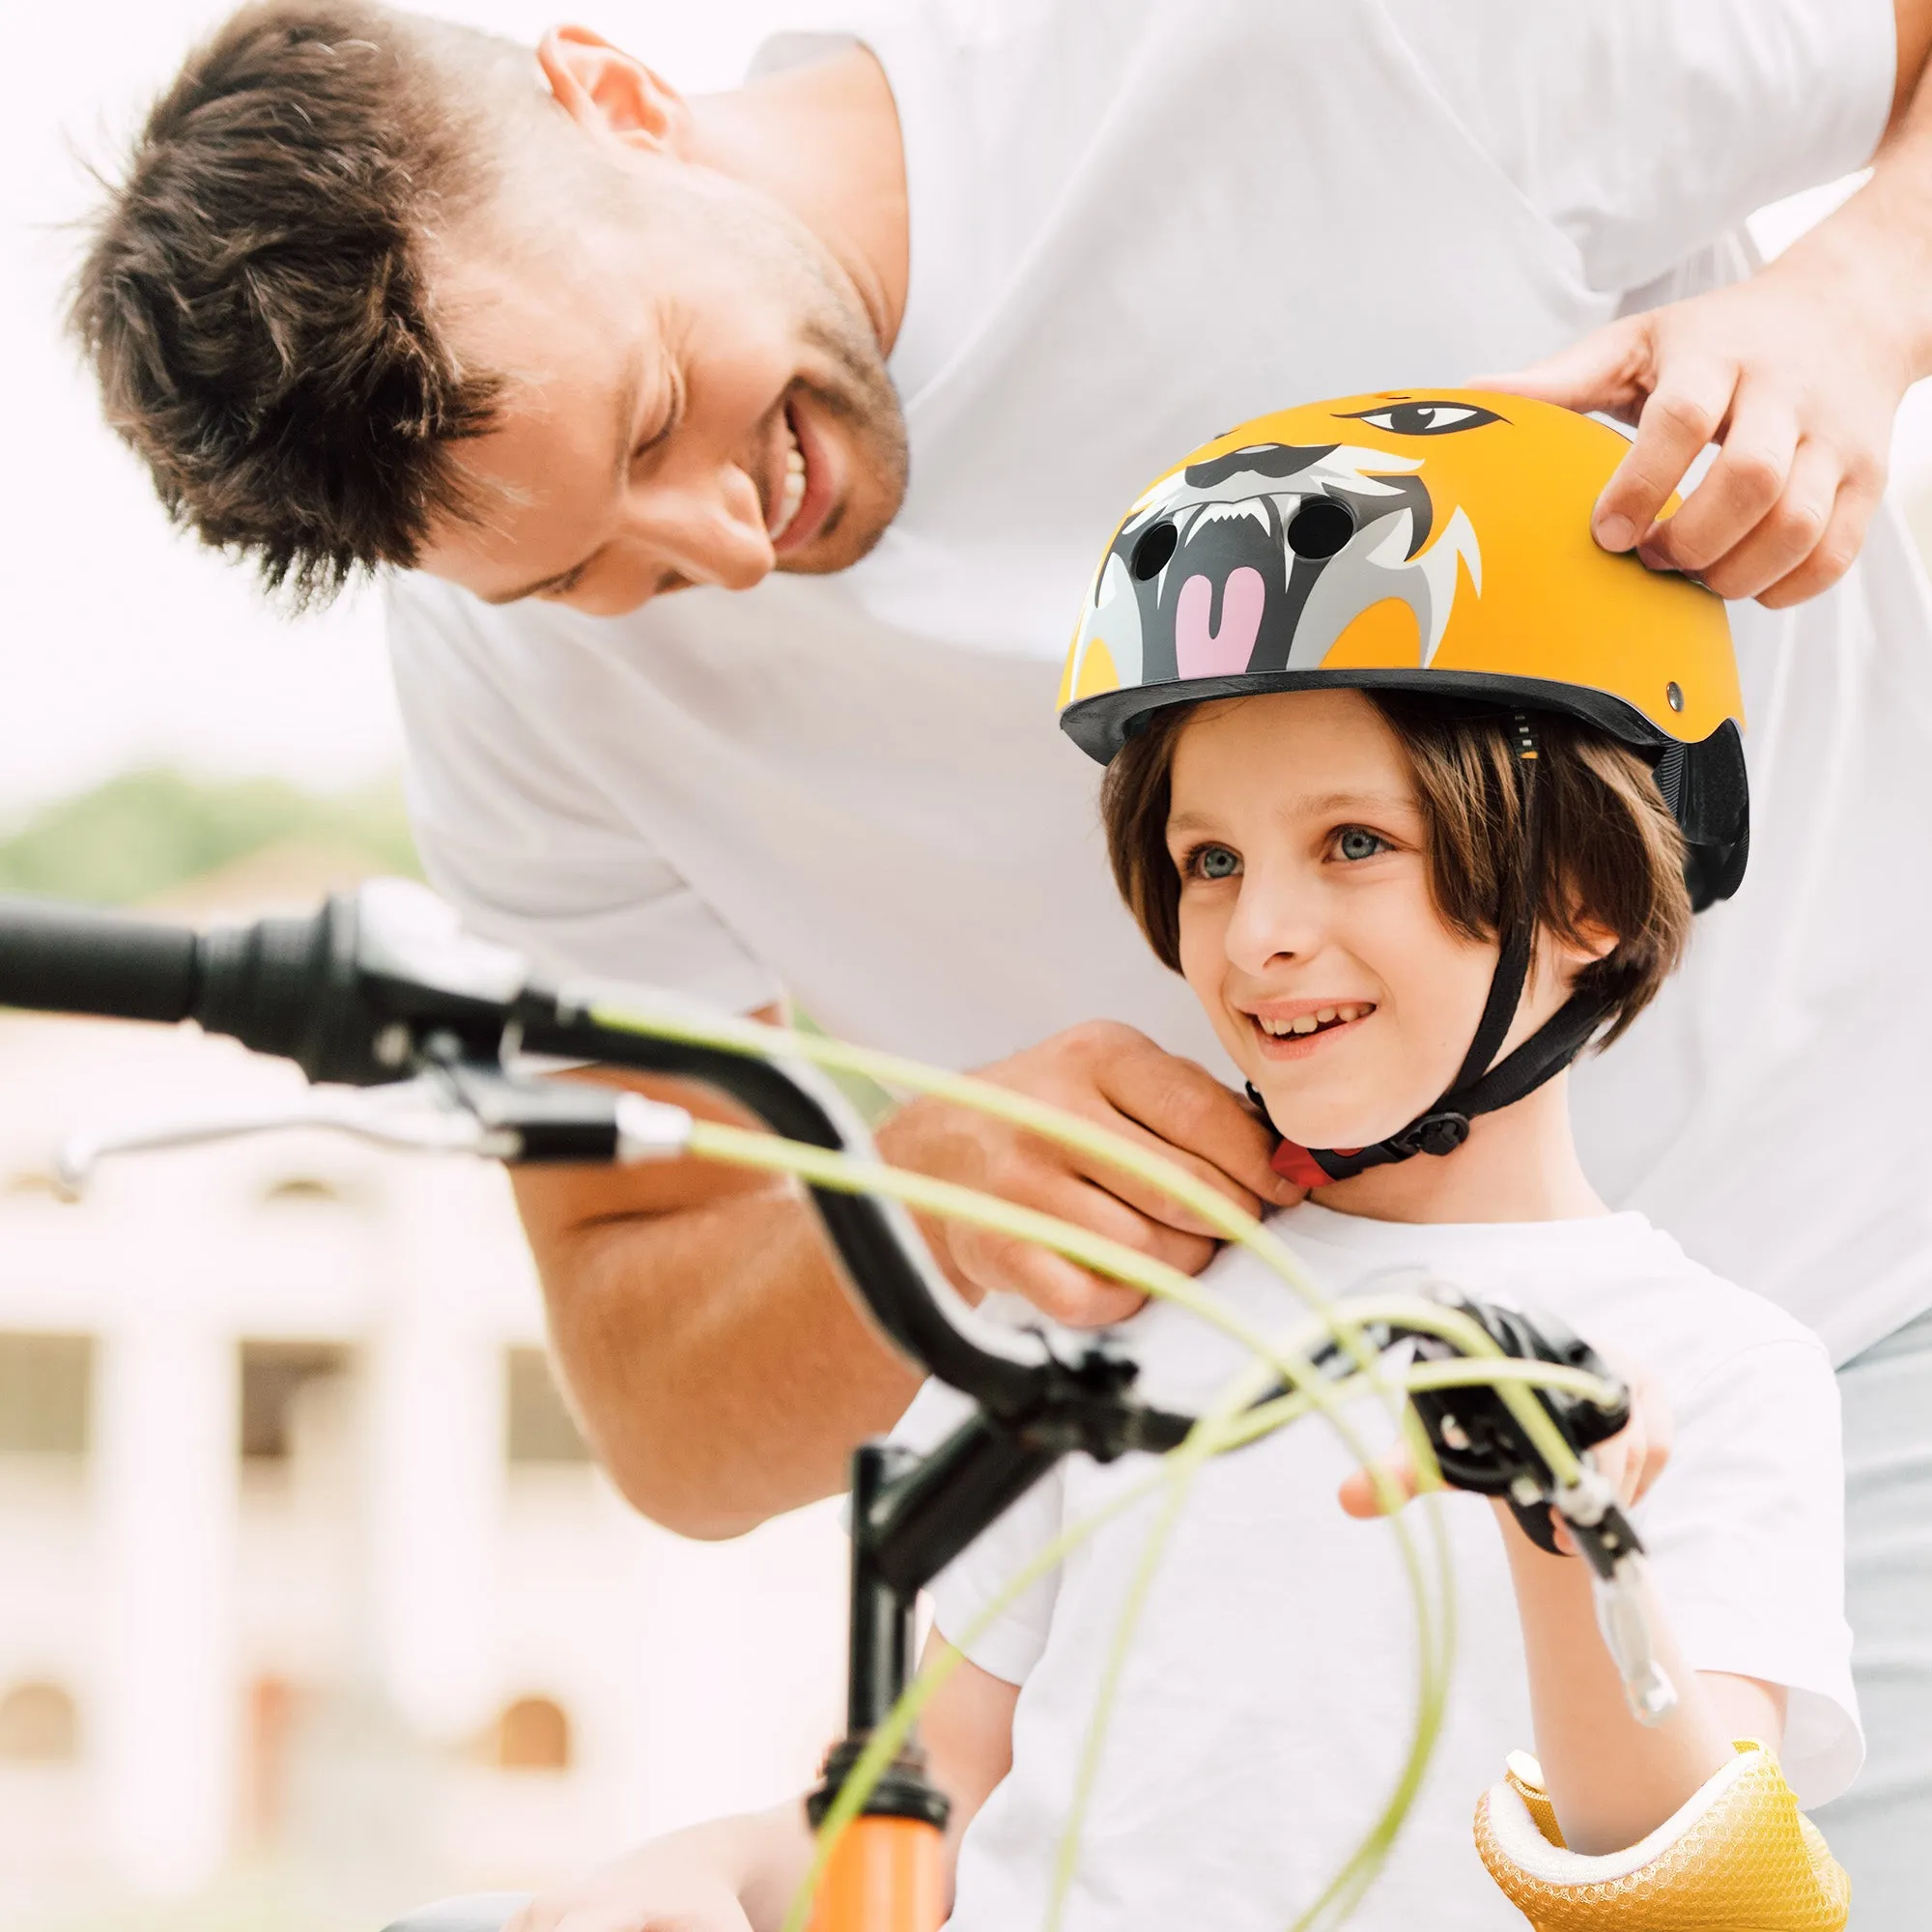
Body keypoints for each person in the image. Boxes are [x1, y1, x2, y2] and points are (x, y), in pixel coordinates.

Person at [69, 1, 1932, 1910]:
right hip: (1203, 1358)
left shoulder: (1334, 50)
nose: (712, 551)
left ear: (615, 95)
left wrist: (1855, 305)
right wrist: (914, 1201)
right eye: (581, 572)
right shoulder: (511, 675)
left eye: (650, 415)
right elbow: (674, 1416)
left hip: (1863, 1276)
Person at [500, 396, 1859, 1932]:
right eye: (1211, 859)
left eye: (1354, 842)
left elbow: (1692, 1896)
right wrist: (707, 1875)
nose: (1259, 930)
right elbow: (916, 1808)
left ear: (1589, 890)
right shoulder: (1098, 1297)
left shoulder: (1718, 1371)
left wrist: (1572, 1542)